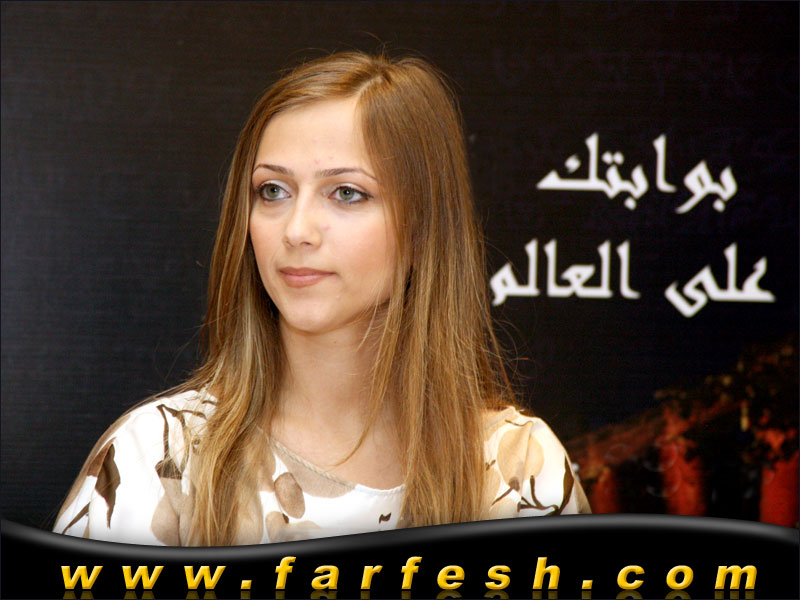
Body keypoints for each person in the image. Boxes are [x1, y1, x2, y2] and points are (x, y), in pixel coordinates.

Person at [54, 51, 590, 546]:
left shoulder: (520, 473)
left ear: (423, 226)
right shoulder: (158, 458)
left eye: (347, 193)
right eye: (273, 191)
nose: (296, 230)